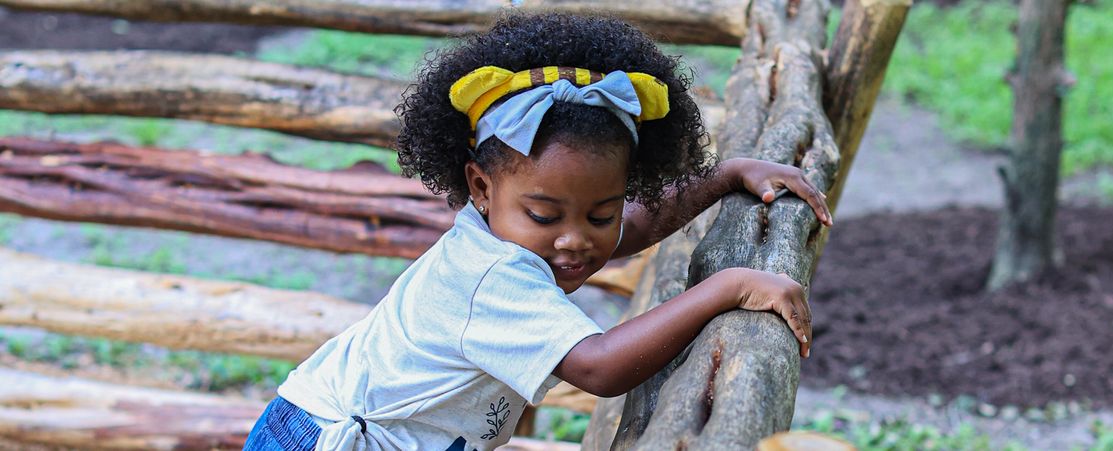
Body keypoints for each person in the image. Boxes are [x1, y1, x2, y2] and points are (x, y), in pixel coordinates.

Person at [244, 12, 833, 451]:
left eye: (599, 213)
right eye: (546, 217)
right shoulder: (491, 277)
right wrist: (727, 288)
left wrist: (722, 177)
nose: (575, 240)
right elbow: (599, 367)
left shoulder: (519, 241)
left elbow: (629, 229)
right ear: (480, 188)